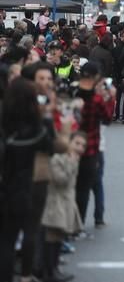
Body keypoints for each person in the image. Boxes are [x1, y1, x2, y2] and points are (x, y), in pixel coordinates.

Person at [0, 78, 63, 282]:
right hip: (25, 186)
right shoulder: (37, 127)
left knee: (6, 241)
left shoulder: (4, 124)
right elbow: (50, 147)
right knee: (30, 232)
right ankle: (27, 275)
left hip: (5, 185)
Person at [41, 132, 86, 282]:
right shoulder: (58, 159)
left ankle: (54, 269)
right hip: (56, 203)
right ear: (69, 143)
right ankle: (50, 271)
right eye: (77, 143)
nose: (80, 148)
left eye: (82, 145)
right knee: (52, 236)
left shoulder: (72, 158)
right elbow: (62, 180)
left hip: (65, 202)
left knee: (59, 236)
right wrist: (73, 163)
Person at [74, 62, 115, 228]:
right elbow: (107, 119)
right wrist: (110, 98)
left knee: (74, 186)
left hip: (71, 144)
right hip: (91, 146)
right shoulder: (97, 99)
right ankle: (81, 222)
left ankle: (73, 223)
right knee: (88, 185)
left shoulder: (73, 91)